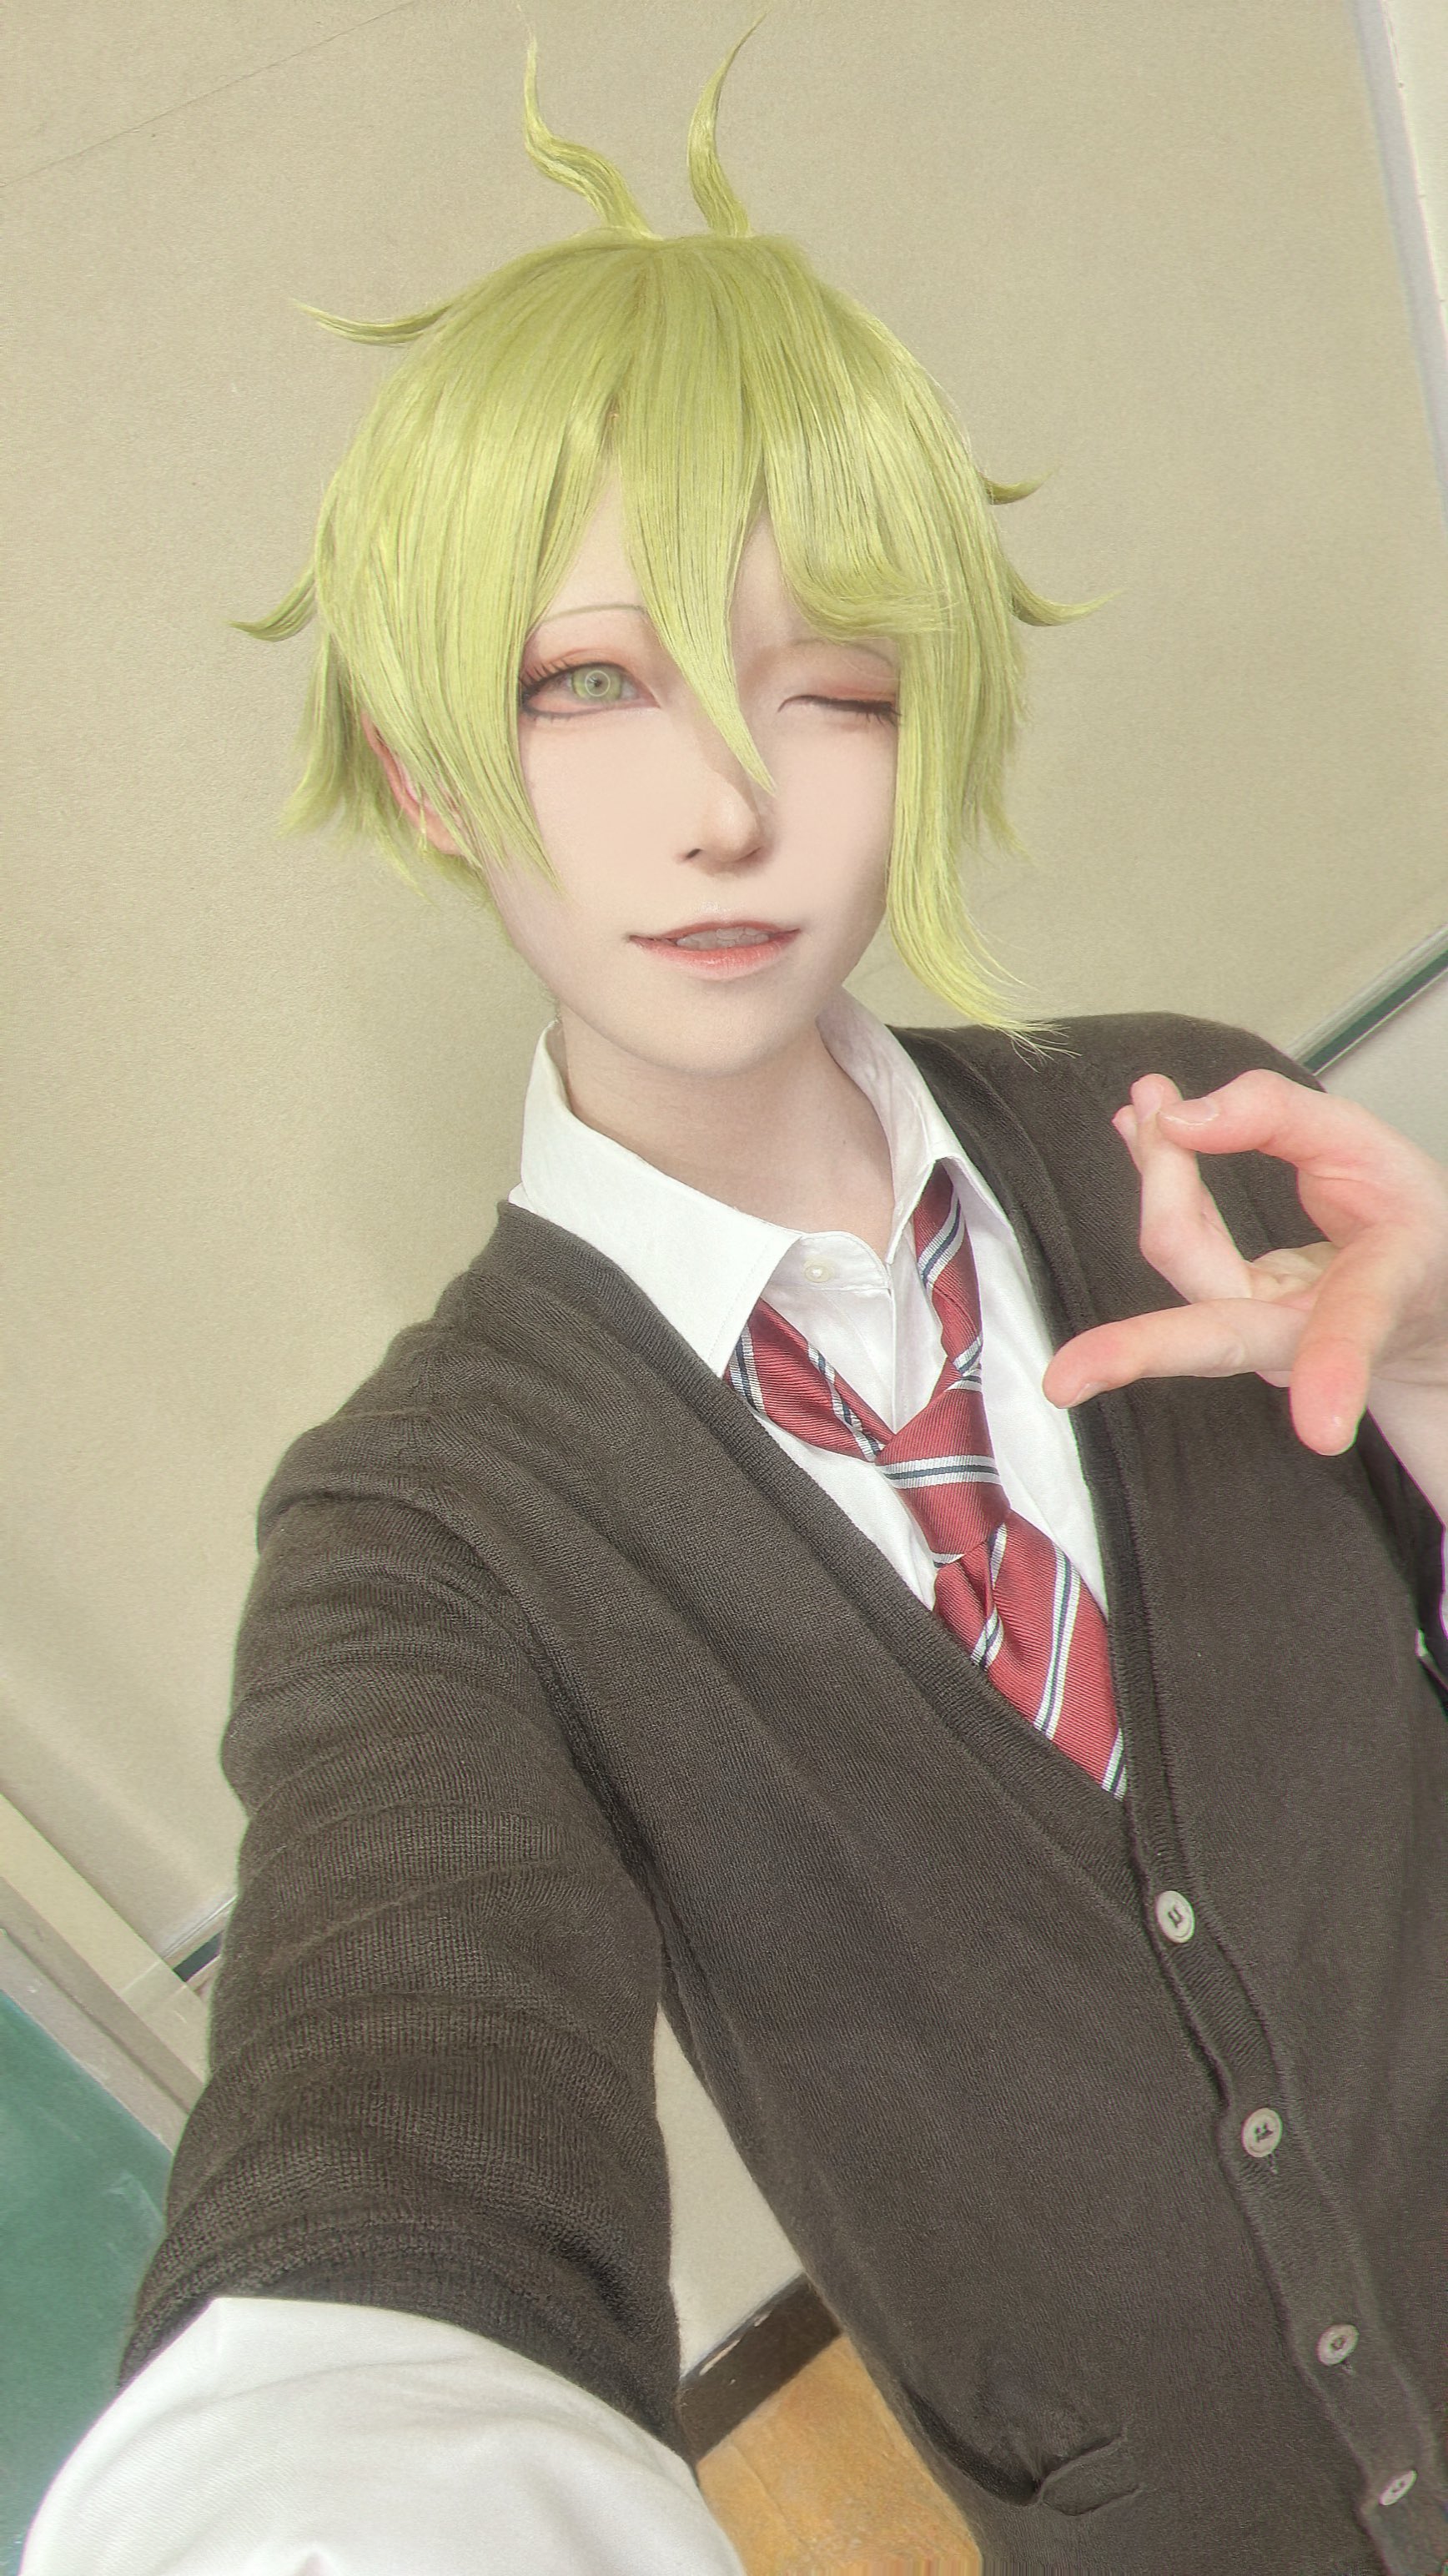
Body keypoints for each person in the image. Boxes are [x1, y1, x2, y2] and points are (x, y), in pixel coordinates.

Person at [22, 23, 1448, 2576]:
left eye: (834, 680)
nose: (727, 803)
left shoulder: (1192, 1137)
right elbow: (394, 2103)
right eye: (592, 682)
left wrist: (1442, 1398)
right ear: (428, 762)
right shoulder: (426, 1540)